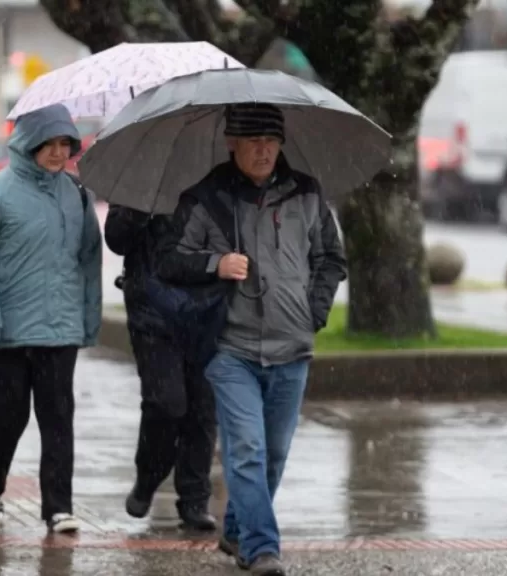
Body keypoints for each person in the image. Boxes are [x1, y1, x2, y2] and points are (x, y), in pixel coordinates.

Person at [157, 103, 347, 576]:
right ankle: (262, 549)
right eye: (253, 141)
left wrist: (313, 312)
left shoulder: (306, 193)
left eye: (271, 141)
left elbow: (330, 258)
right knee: (246, 449)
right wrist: (214, 265)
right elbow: (168, 259)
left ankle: (238, 530)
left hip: (292, 347)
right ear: (231, 143)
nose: (264, 151)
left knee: (275, 455)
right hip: (229, 348)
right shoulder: (207, 198)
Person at [0, 103, 103, 533]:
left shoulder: (77, 195)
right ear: (29, 143)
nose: (59, 153)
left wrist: (87, 319)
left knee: (58, 416)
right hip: (5, 334)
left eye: (66, 144)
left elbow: (89, 261)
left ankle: (58, 506)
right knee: (10, 413)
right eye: (51, 144)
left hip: (59, 330)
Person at [104, 206, 218, 531]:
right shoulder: (144, 178)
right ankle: (148, 477)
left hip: (205, 310)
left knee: (202, 408)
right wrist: (140, 212)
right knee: (166, 403)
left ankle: (195, 499)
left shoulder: (216, 178)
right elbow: (116, 239)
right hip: (152, 313)